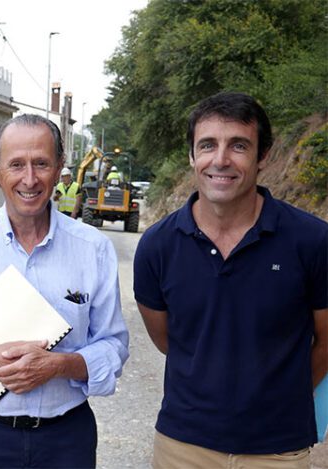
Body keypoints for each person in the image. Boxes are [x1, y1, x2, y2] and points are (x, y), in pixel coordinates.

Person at [0, 114, 129, 468]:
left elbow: (114, 344)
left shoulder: (93, 248)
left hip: (66, 440)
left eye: (41, 164)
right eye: (16, 164)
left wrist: (59, 366)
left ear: (60, 167)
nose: (29, 179)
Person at [134, 91, 328, 468]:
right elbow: (168, 341)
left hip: (278, 451)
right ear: (192, 155)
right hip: (182, 447)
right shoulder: (158, 246)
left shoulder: (313, 241)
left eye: (238, 145)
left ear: (263, 156)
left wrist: (283, 395)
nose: (220, 160)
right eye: (207, 145)